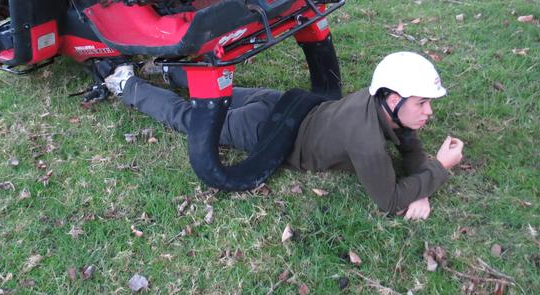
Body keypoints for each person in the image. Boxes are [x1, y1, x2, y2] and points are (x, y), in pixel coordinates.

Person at [104, 51, 464, 220]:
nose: (429, 112)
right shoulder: (366, 141)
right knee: (191, 117)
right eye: (422, 103)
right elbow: (389, 200)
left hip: (286, 104)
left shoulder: (377, 102)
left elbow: (408, 142)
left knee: (221, 92)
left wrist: (424, 179)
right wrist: (438, 171)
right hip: (269, 131)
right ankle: (126, 84)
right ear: (395, 98)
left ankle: (169, 69)